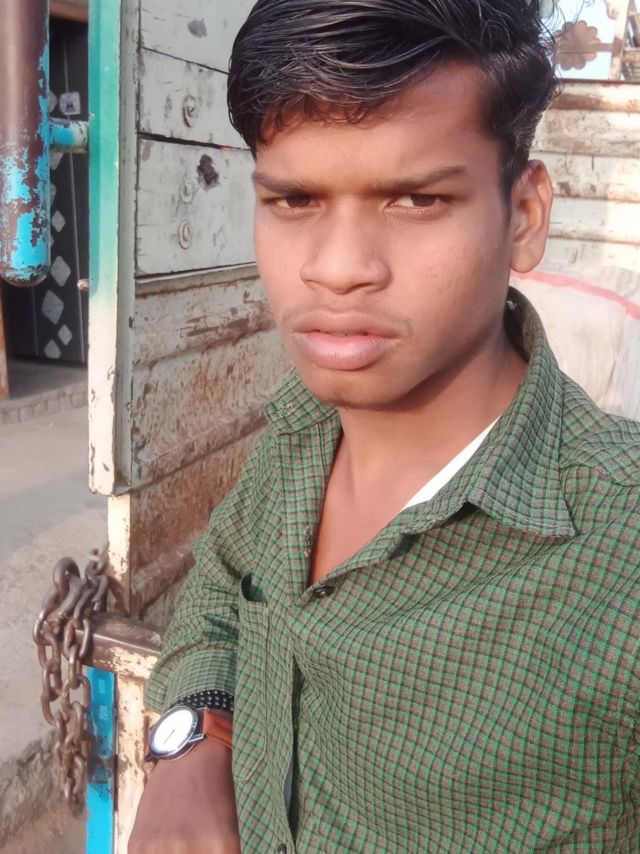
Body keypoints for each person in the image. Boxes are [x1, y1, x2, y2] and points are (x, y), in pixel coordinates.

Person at [129, 1, 640, 851]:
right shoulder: (299, 436)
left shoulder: (620, 558)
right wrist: (196, 740)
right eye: (294, 199)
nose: (337, 269)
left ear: (523, 215)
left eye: (415, 198)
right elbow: (222, 584)